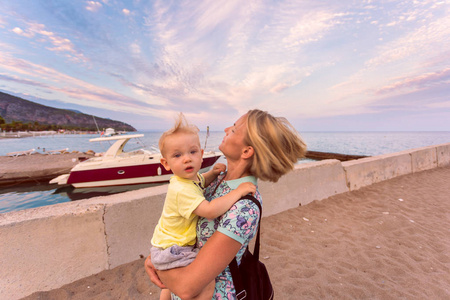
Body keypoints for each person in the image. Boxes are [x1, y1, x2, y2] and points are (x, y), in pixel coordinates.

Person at [146, 109, 307, 299]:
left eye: (233, 130)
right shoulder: (218, 180)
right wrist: (158, 257)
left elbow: (187, 287)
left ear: (246, 151)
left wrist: (158, 264)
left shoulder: (244, 208)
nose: (225, 129)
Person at [151, 113, 256, 300]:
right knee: (188, 287)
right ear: (166, 163)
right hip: (173, 248)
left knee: (202, 286)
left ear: (200, 154)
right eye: (177, 155)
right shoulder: (184, 187)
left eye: (233, 128)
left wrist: (212, 174)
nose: (186, 159)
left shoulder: (245, 207)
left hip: (173, 247)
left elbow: (201, 182)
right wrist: (236, 191)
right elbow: (208, 209)